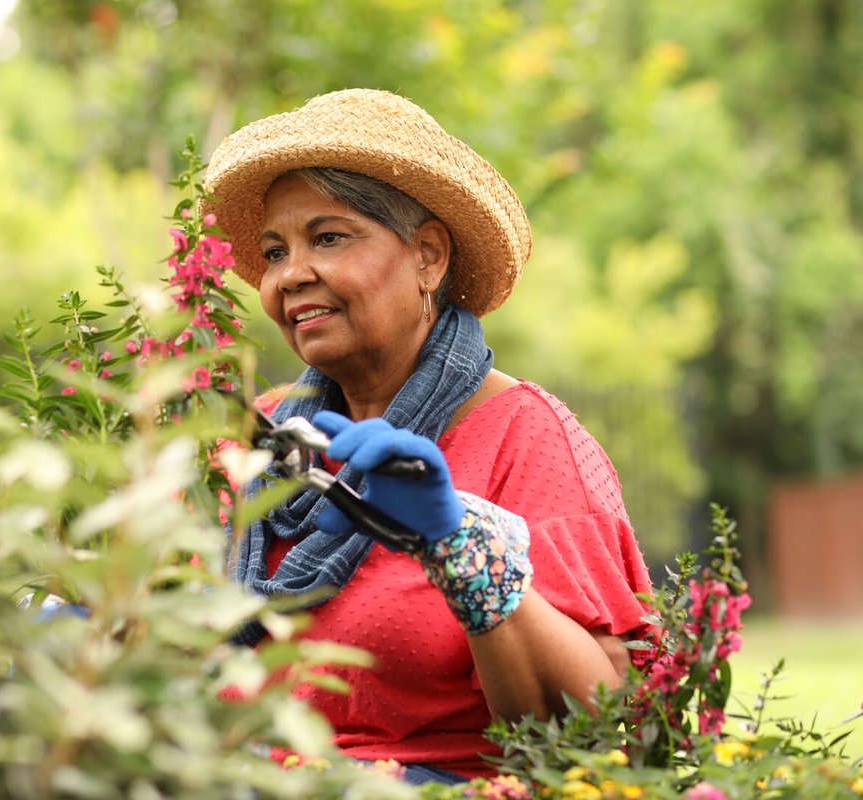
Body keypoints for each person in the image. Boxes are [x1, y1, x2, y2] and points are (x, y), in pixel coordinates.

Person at [202, 89, 653, 785]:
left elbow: (614, 732)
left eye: (328, 237)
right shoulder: (260, 436)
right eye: (274, 250)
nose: (289, 274)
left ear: (429, 257)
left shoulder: (527, 437)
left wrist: (459, 547)